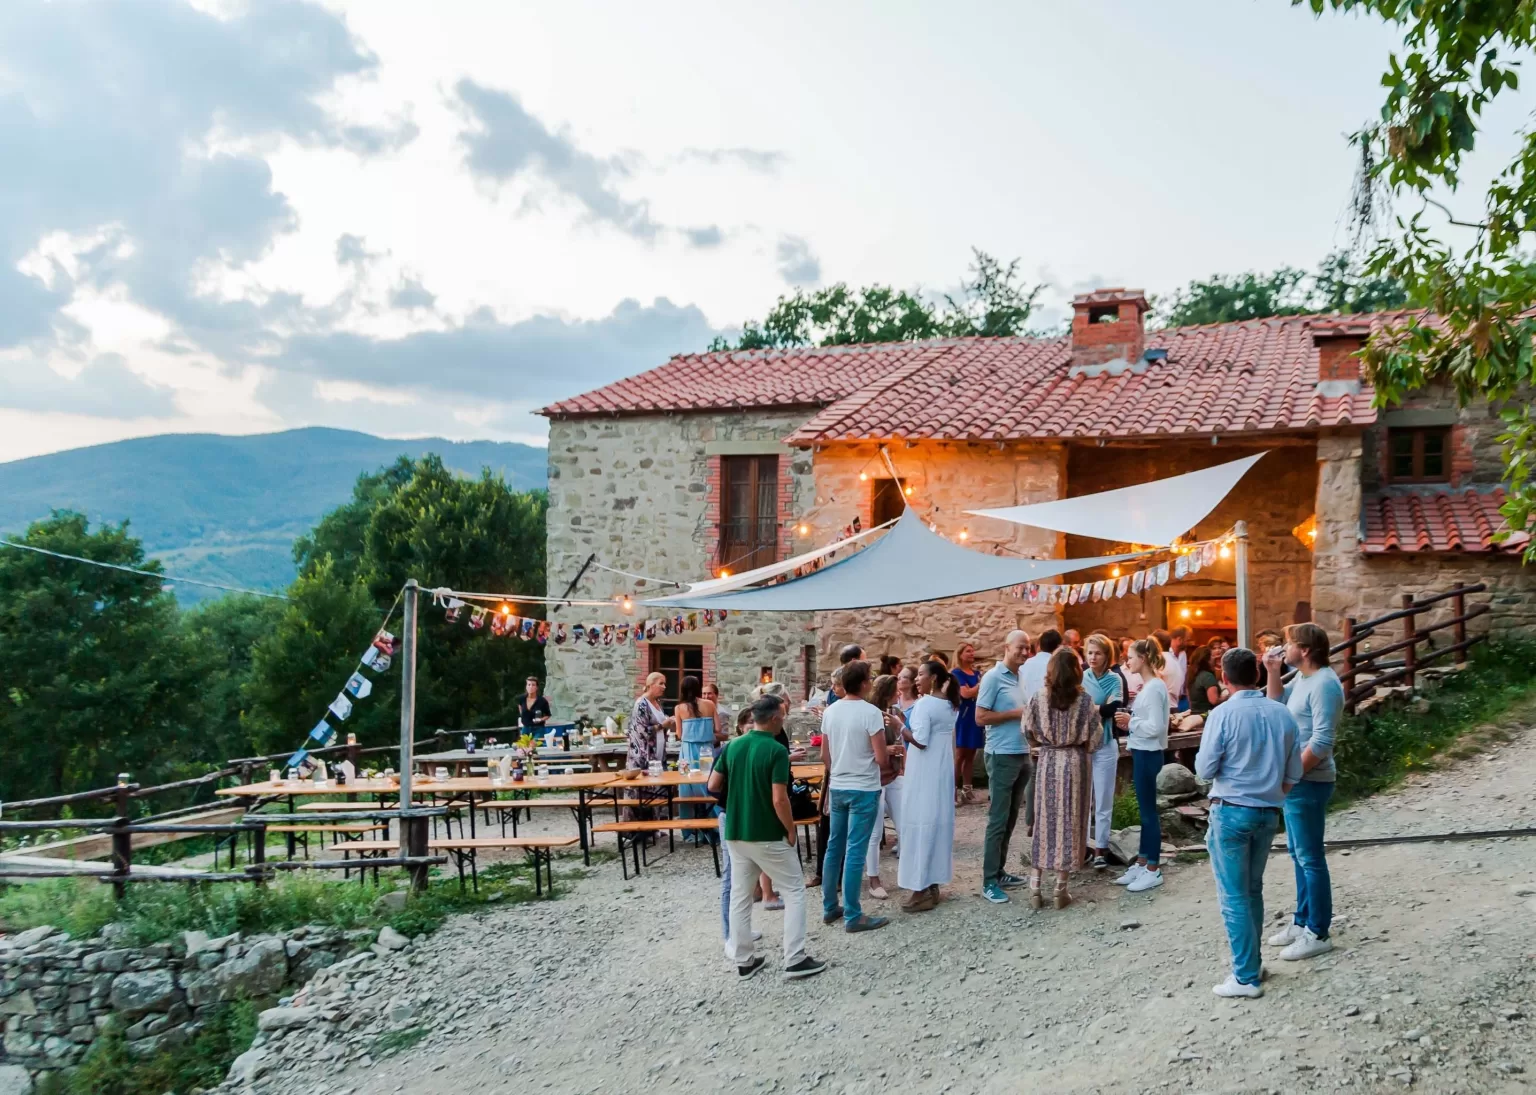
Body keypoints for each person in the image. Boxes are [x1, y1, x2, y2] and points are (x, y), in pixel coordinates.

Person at [1195, 647, 1303, 998]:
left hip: (1231, 810)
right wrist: (1273, 795)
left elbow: (1204, 769)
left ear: (1224, 679)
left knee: (1234, 896)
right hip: (1267, 812)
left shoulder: (1223, 715)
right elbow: (1294, 771)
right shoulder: (1282, 714)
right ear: (1257, 675)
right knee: (1253, 889)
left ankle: (1245, 976)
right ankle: (1253, 964)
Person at [709, 694, 827, 981]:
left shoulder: (732, 746)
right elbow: (779, 799)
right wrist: (790, 829)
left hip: (736, 831)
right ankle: (795, 957)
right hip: (767, 831)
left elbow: (713, 784)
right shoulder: (775, 750)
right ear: (774, 718)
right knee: (795, 890)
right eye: (783, 717)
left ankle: (744, 959)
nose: (783, 722)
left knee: (741, 895)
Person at [1267, 622, 1344, 962]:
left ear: (1306, 650)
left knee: (1311, 857)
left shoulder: (1325, 683)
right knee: (1298, 854)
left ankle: (1318, 931)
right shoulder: (1302, 677)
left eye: (1289, 644)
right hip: (1297, 778)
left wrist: (1291, 775)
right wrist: (1271, 670)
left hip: (1310, 780)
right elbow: (1276, 704)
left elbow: (1323, 741)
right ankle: (1302, 921)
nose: (1284, 649)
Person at [819, 660, 891, 933]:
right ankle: (853, 914)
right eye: (870, 679)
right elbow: (881, 757)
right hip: (864, 787)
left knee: (834, 847)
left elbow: (825, 755)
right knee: (855, 851)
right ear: (862, 683)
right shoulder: (871, 713)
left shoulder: (831, 712)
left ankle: (829, 907)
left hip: (838, 784)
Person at [1024, 648, 1096, 909]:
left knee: (1045, 820)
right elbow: (1095, 737)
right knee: (1070, 821)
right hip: (1075, 762)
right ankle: (1060, 889)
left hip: (1048, 760)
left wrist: (1040, 745)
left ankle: (1034, 887)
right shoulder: (1085, 701)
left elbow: (1026, 728)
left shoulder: (1038, 698)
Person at [976, 629, 1033, 904]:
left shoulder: (1021, 677)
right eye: (1020, 647)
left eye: (1028, 648)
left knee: (1011, 818)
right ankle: (988, 881)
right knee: (997, 820)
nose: (1024, 652)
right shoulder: (992, 677)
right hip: (1001, 755)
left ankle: (999, 872)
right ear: (1007, 646)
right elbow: (980, 717)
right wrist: (1015, 714)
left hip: (1022, 752)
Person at [897, 660, 959, 913]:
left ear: (933, 678)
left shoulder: (925, 705)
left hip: (924, 771)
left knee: (919, 823)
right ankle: (932, 881)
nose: (916, 680)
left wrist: (899, 726)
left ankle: (919, 887)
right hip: (942, 769)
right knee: (935, 823)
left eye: (921, 675)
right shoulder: (950, 705)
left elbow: (920, 740)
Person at [1113, 638, 1169, 893]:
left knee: (1148, 814)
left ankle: (1153, 869)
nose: (1128, 661)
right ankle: (1143, 861)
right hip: (1142, 752)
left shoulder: (1155, 688)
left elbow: (1156, 727)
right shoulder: (1149, 687)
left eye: (1131, 657)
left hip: (1149, 754)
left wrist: (1131, 722)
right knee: (1144, 812)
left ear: (1143, 658)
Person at [1081, 635, 1124, 870]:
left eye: (1097, 653)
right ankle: (1083, 846)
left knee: (1103, 798)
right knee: (1083, 798)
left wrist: (1090, 708)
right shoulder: (1081, 677)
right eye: (1089, 653)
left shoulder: (1114, 679)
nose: (1093, 657)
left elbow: (1113, 708)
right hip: (1084, 743)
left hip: (1106, 743)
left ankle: (1101, 847)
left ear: (1107, 655)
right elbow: (1073, 706)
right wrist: (1097, 708)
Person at [864, 674, 905, 900]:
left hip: (894, 774)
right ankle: (873, 879)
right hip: (874, 778)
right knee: (874, 831)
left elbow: (906, 738)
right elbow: (862, 748)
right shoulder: (869, 713)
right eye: (895, 690)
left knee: (905, 826)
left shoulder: (896, 714)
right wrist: (887, 750)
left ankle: (909, 875)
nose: (899, 693)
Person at [674, 675, 719, 842]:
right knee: (710, 785)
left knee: (686, 788)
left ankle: (690, 830)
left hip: (687, 751)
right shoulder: (710, 705)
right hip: (707, 749)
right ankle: (715, 824)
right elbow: (718, 728)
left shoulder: (679, 708)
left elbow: (679, 734)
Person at [625, 673, 674, 822]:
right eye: (661, 683)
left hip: (657, 754)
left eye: (665, 684)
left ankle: (655, 825)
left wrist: (668, 725)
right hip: (642, 755)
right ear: (651, 684)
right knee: (642, 793)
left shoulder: (657, 703)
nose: (664, 687)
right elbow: (642, 731)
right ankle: (638, 829)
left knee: (658, 790)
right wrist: (662, 725)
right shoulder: (641, 704)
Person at [951, 642, 983, 805]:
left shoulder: (976, 673)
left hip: (974, 715)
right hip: (963, 716)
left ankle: (967, 790)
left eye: (973, 651)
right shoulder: (957, 673)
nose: (972, 653)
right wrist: (980, 684)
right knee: (960, 755)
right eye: (968, 651)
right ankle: (952, 791)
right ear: (960, 654)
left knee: (971, 754)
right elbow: (965, 693)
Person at [823, 644, 865, 708]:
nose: (832, 687)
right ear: (854, 661)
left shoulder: (838, 676)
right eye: (864, 660)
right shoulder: (841, 680)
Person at [1153, 629, 1185, 713]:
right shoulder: (1175, 661)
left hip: (1161, 709)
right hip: (1173, 707)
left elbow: (1155, 688)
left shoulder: (1158, 661)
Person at [1188, 645, 1222, 716]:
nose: (1214, 658)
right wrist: (1228, 697)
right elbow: (1214, 700)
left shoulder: (1191, 676)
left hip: (1194, 716)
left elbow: (1190, 700)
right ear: (1207, 660)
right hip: (1207, 717)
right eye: (1212, 656)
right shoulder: (1208, 676)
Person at [1169, 626, 1192, 710]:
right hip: (1169, 701)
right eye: (1187, 640)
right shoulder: (1165, 654)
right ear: (1179, 640)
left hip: (1182, 699)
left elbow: (1184, 676)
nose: (1189, 643)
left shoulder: (1183, 654)